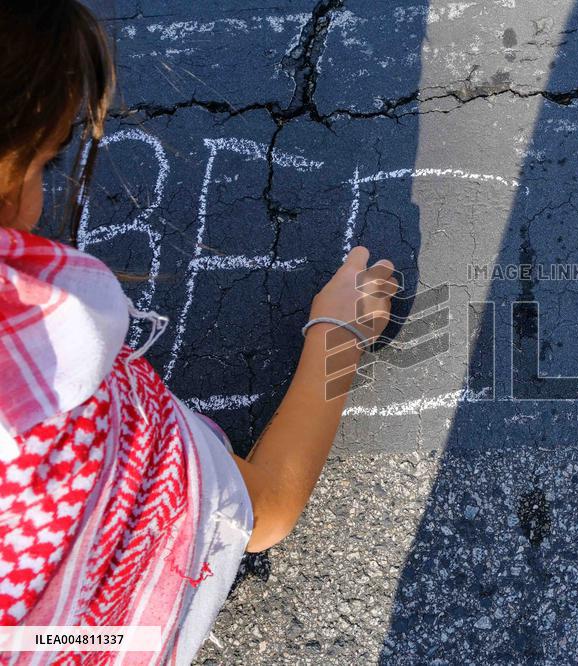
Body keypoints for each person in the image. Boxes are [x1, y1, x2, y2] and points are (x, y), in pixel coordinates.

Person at [0, 1, 397, 662]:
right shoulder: (47, 415)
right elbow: (264, 509)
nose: (43, 195)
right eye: (43, 163)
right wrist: (339, 333)